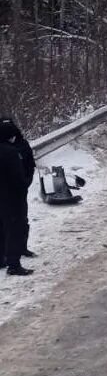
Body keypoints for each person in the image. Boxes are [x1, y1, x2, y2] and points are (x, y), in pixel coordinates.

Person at [0, 118, 37, 276]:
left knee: (4, 226)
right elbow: (19, 179)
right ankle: (13, 263)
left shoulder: (21, 146)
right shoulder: (11, 152)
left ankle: (7, 256)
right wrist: (25, 184)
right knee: (14, 227)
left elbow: (30, 165)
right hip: (13, 197)